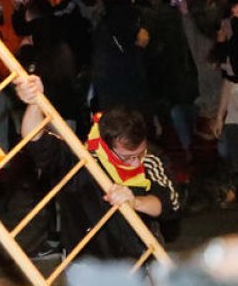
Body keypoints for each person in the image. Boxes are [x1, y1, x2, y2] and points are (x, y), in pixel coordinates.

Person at [16, 76, 180, 258]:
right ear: (105, 146)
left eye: (140, 153)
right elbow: (35, 140)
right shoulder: (82, 161)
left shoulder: (152, 158)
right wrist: (34, 101)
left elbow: (169, 203)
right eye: (127, 157)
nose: (136, 162)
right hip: (87, 262)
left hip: (139, 259)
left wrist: (135, 202)